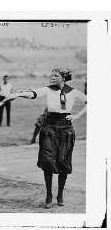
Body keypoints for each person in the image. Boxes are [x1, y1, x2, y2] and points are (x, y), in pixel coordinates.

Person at [8, 68, 87, 209]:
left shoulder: (73, 92)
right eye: (52, 75)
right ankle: (49, 195)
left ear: (64, 78)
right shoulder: (48, 89)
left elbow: (90, 102)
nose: (52, 77)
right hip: (49, 127)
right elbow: (33, 94)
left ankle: (60, 194)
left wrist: (77, 116)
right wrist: (18, 94)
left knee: (63, 162)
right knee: (47, 161)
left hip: (66, 128)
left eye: (56, 76)